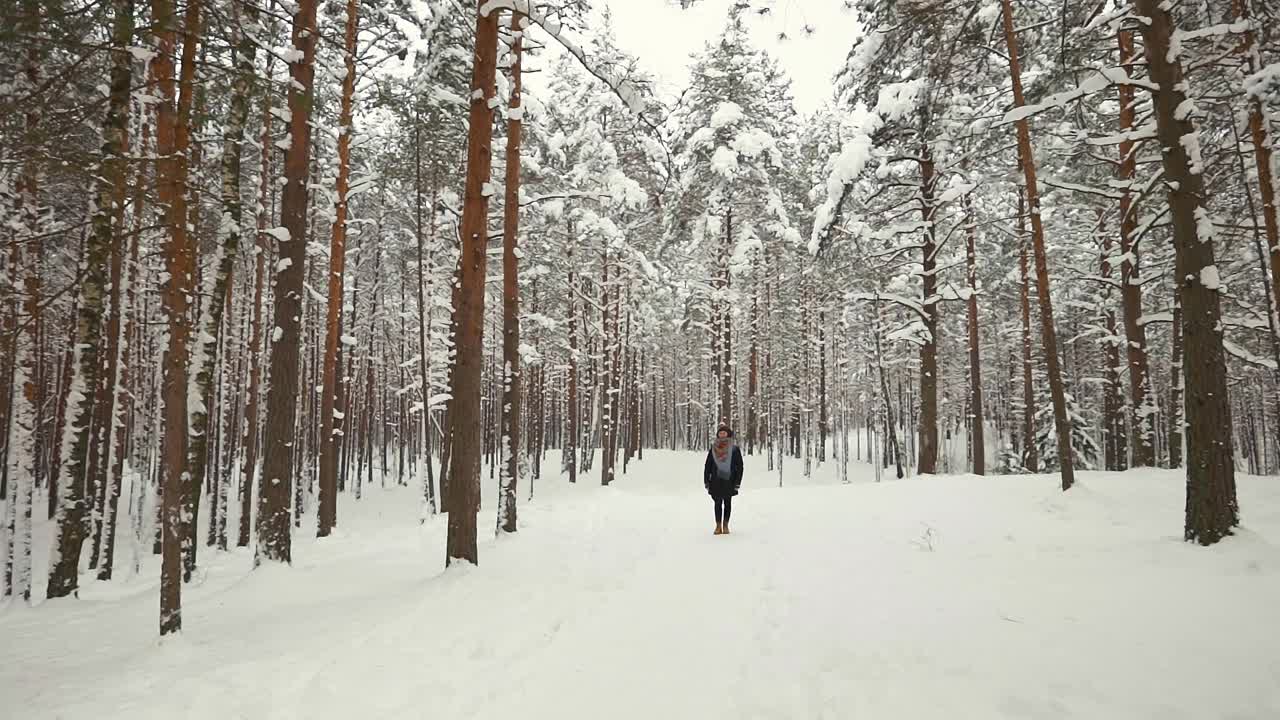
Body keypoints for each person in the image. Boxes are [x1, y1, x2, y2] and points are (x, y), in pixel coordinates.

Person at [704, 425, 744, 535]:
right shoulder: (713, 448)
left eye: (724, 432)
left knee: (727, 502)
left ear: (728, 434)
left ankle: (725, 525)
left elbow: (740, 466)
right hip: (716, 480)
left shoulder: (734, 449)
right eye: (720, 433)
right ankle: (718, 526)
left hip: (729, 481)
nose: (722, 434)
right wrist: (706, 480)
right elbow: (708, 465)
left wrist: (737, 482)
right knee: (717, 503)